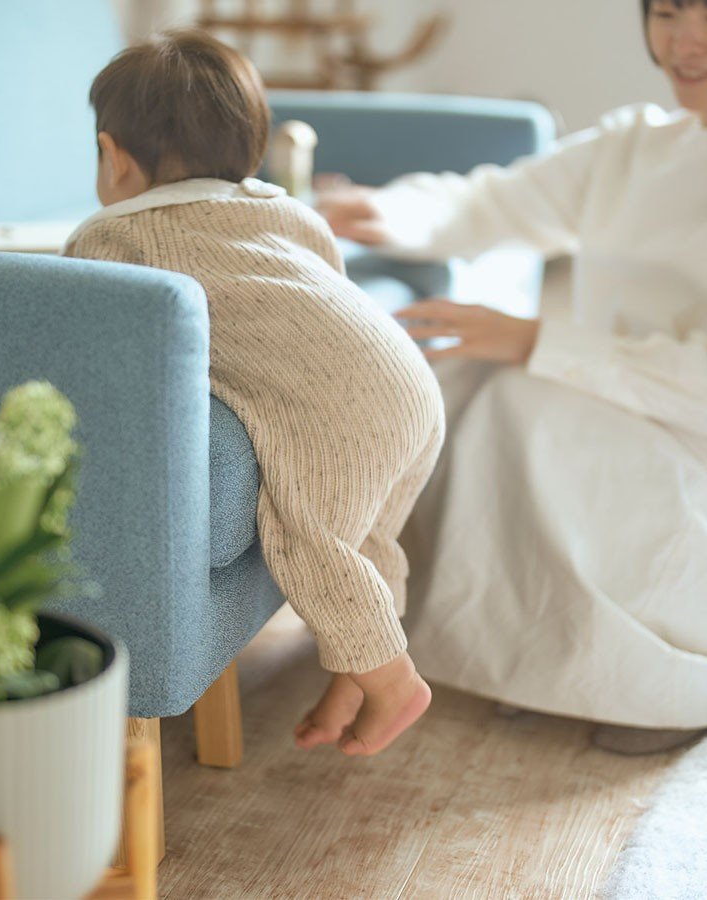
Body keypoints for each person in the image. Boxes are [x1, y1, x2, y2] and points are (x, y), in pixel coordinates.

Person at [317, 0, 707, 753]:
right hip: (614, 407)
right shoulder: (635, 144)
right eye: (670, 11)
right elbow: (489, 201)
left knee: (519, 402)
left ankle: (674, 668)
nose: (684, 40)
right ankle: (545, 650)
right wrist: (371, 209)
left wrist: (531, 338)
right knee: (450, 388)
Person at [63, 30, 445, 756]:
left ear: (114, 158)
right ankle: (353, 679)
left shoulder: (111, 240)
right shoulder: (285, 209)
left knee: (309, 540)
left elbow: (100, 335)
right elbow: (325, 277)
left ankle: (394, 683)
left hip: (334, 415)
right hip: (408, 381)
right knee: (366, 539)